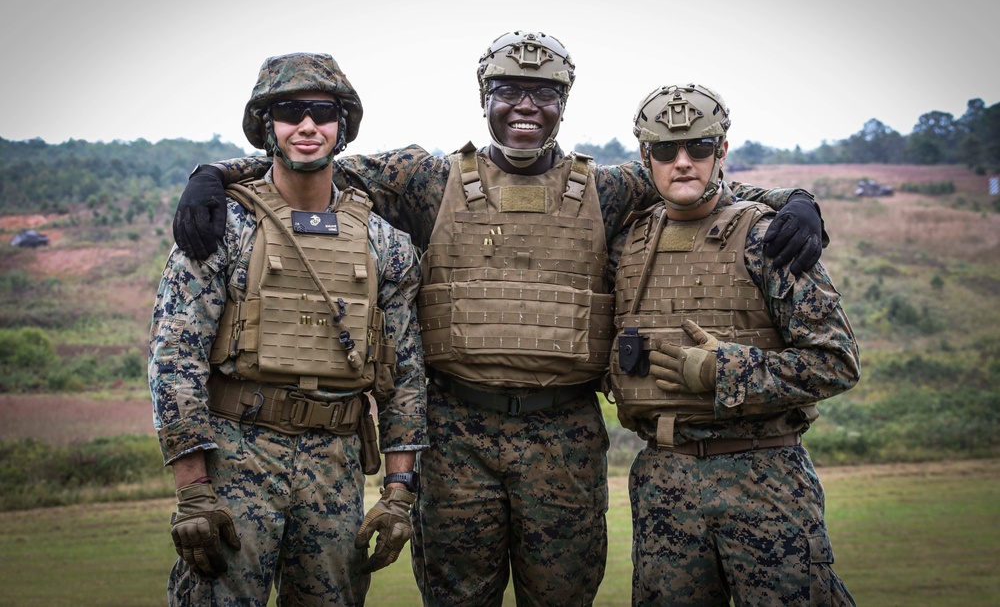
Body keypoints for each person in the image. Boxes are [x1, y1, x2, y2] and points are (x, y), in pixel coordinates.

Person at [171, 32, 826, 606]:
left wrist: (794, 203)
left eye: (544, 93)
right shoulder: (428, 178)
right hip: (457, 435)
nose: (526, 107)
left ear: (563, 103)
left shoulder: (606, 188)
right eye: (509, 90)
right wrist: (215, 174)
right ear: (483, 95)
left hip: (564, 435)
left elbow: (690, 180)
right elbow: (313, 163)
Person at [149, 52, 427, 607]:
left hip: (335, 462)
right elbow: (175, 357)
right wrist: (194, 491)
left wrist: (398, 494)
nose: (306, 126)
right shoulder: (224, 227)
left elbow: (406, 377)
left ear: (343, 127)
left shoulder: (384, 243)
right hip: (236, 458)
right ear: (266, 127)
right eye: (289, 111)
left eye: (323, 112)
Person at [608, 83, 859, 606]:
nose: (683, 163)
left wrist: (726, 372)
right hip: (663, 480)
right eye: (665, 150)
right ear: (644, 156)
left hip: (764, 478)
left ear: (722, 151)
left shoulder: (770, 238)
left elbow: (836, 362)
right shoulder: (626, 243)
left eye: (699, 148)